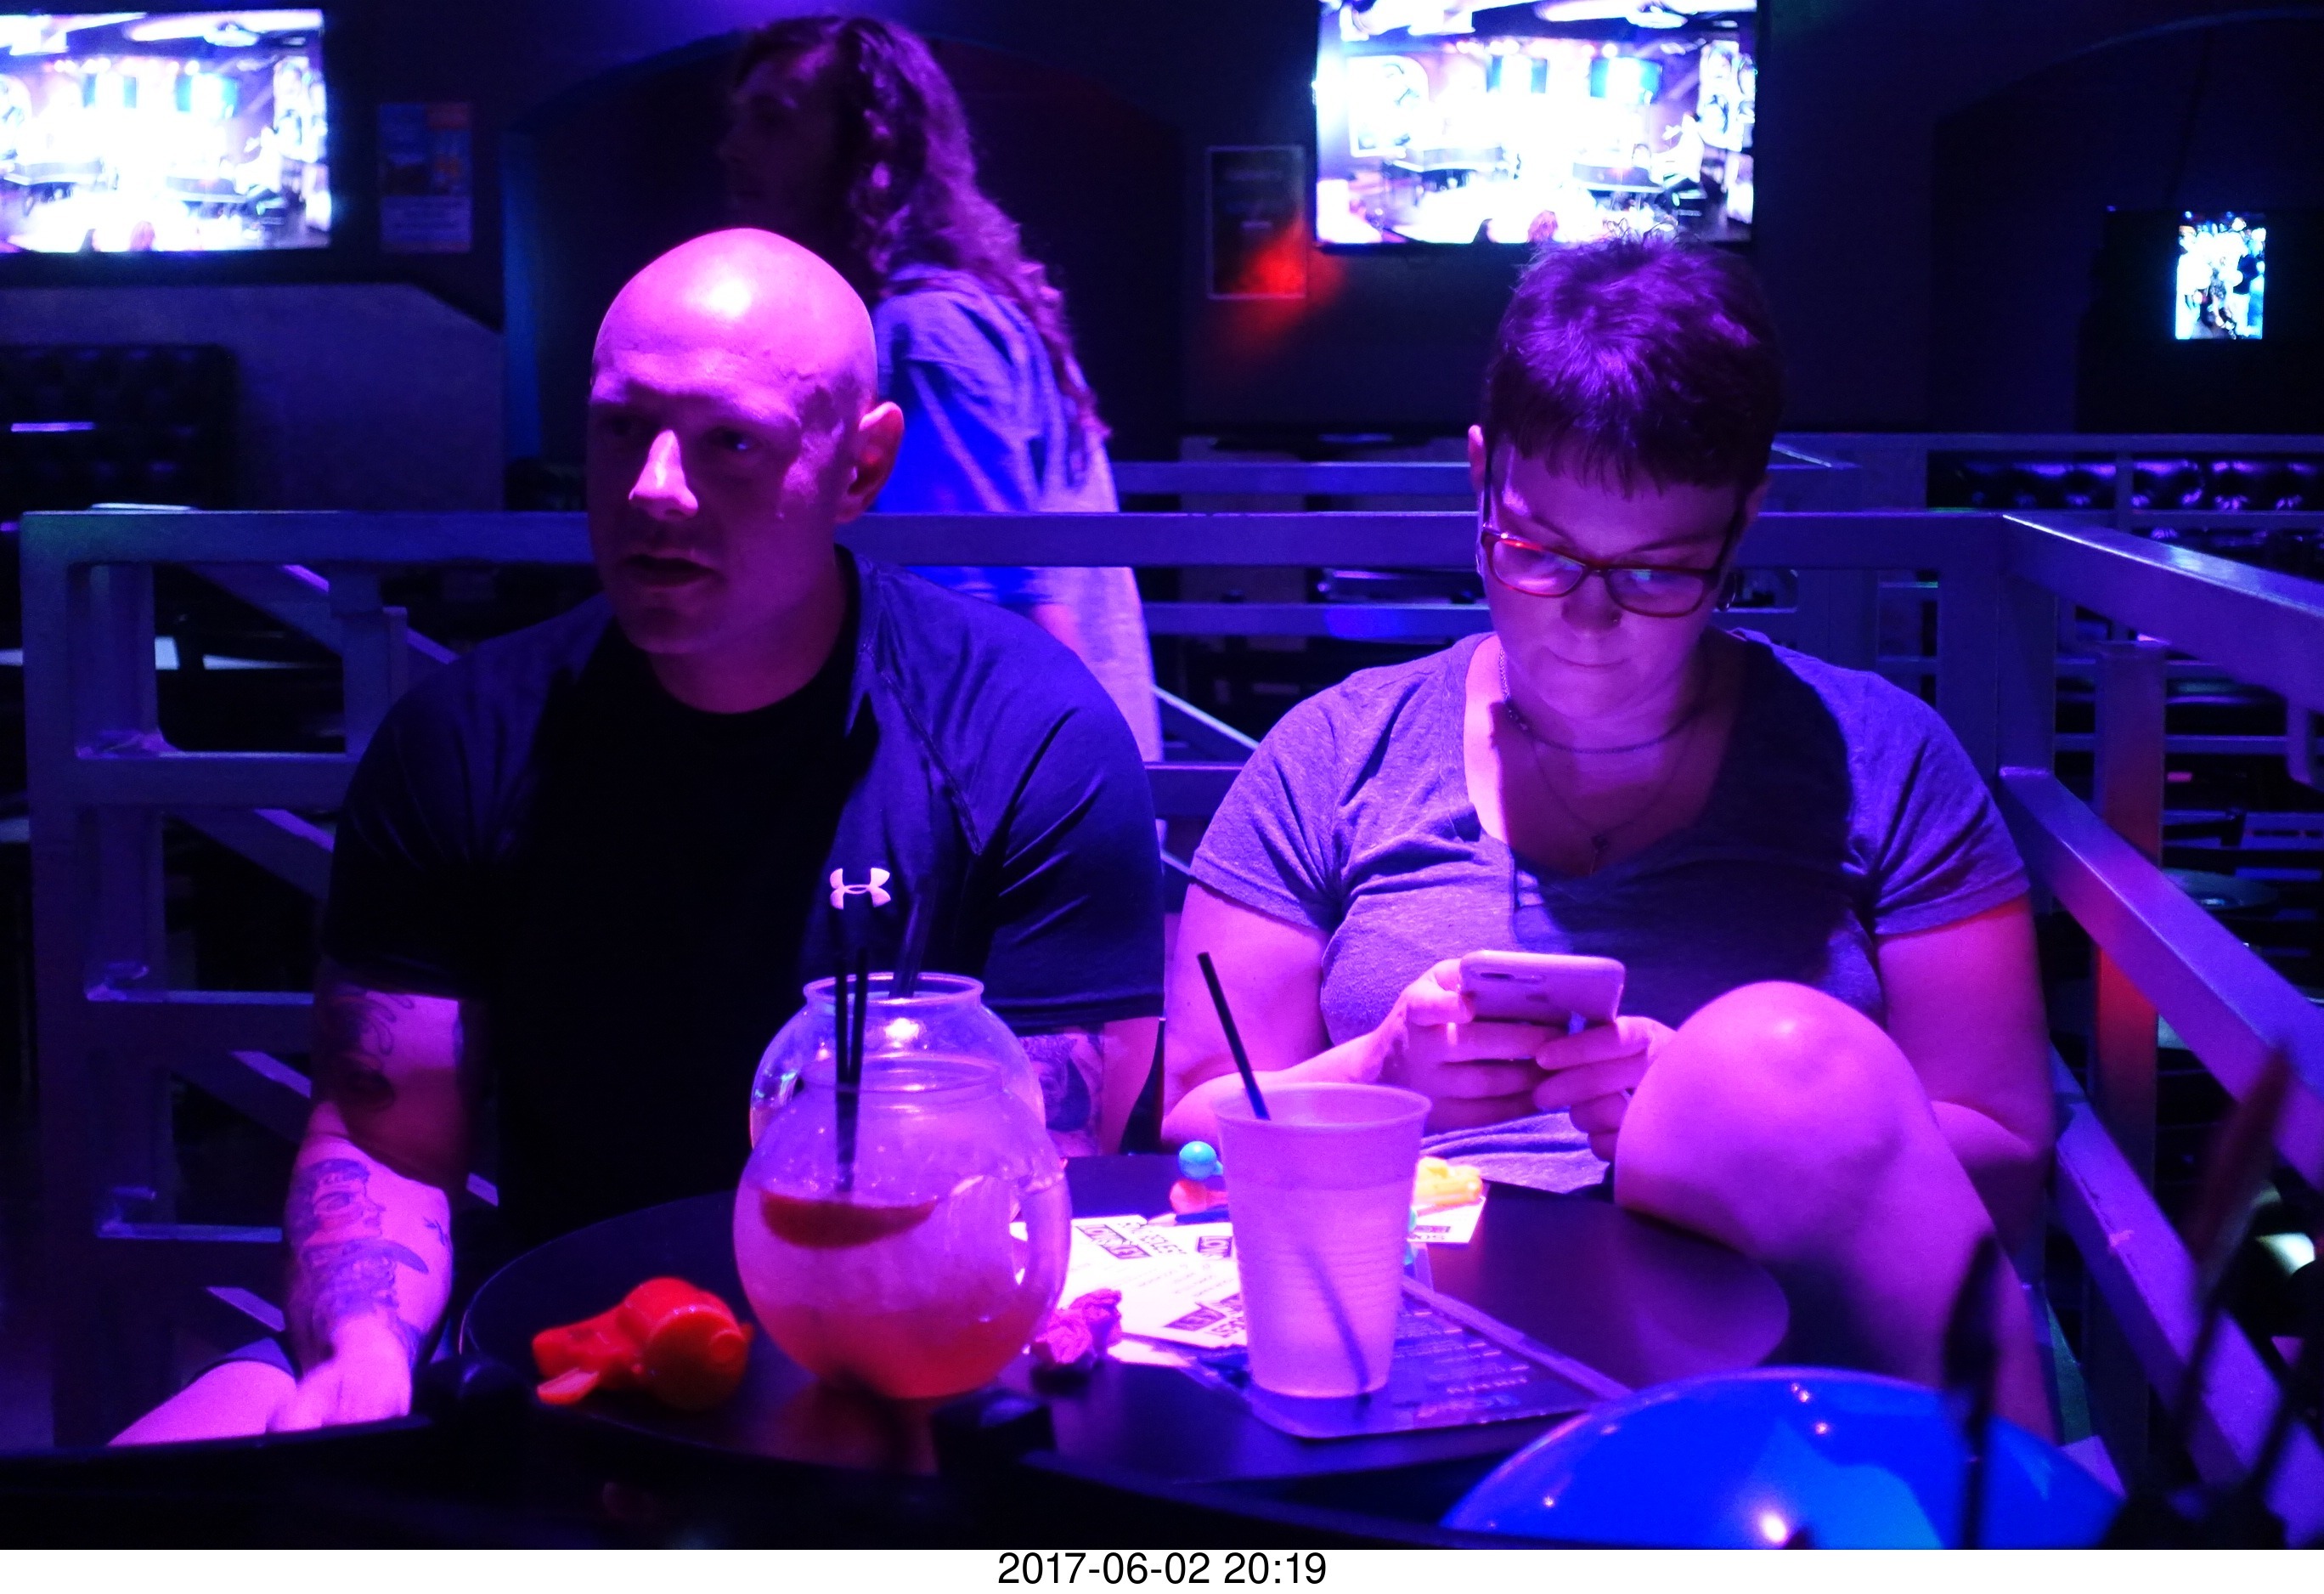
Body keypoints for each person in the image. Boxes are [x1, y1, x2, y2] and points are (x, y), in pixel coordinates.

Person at [116, 229, 1163, 1441]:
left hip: (906, 1349)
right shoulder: (465, 738)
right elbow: (385, 1141)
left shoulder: (1024, 735)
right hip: (570, 1345)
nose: (655, 487)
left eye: (730, 441)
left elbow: (1036, 1181)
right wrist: (364, 1358)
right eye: (623, 428)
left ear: (861, 466)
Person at [1163, 235, 2056, 1429]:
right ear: (1479, 476)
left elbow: (2007, 1160)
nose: (1588, 622)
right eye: (1536, 554)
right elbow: (1190, 1129)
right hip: (1402, 1368)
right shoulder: (1336, 752)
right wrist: (1378, 1078)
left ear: (1744, 522)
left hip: (1782, 1388)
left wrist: (1728, 1119)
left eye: (1656, 574)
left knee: (1776, 1056)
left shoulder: (1881, 760)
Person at [719, 14, 1163, 764]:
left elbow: (1002, 620)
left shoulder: (927, 335)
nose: (732, 149)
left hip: (1015, 796)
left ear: (865, 148)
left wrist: (1073, 797)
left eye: (772, 121)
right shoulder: (959, 313)